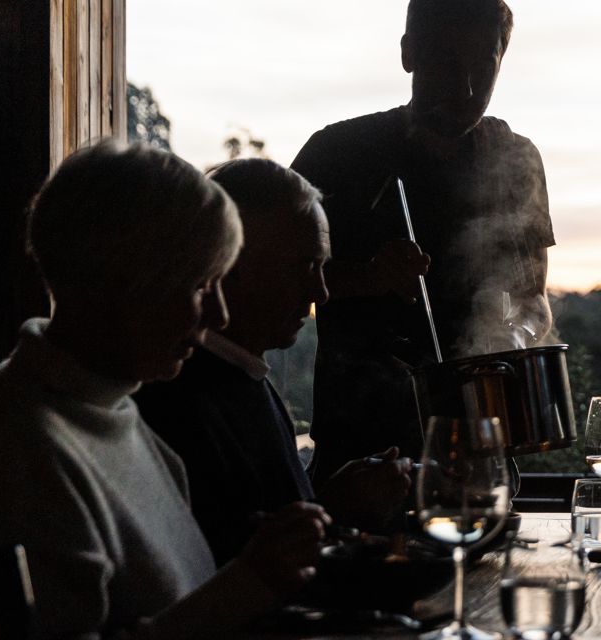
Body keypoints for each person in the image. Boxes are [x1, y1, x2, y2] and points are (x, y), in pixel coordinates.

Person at [0, 141, 328, 640]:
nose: (218, 314)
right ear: (122, 283)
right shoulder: (23, 442)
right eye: (202, 285)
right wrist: (244, 586)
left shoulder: (112, 406)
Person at [291, 0, 555, 484]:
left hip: (479, 459)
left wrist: (508, 342)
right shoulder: (337, 152)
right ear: (408, 53)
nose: (467, 87)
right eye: (446, 61)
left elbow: (534, 298)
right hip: (357, 459)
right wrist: (368, 276)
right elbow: (268, 279)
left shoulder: (516, 160)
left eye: (484, 64)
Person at [134, 159, 413, 566]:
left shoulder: (246, 377)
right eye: (306, 265)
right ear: (230, 262)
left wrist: (335, 504)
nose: (321, 290)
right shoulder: (177, 395)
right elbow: (212, 564)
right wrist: (333, 510)